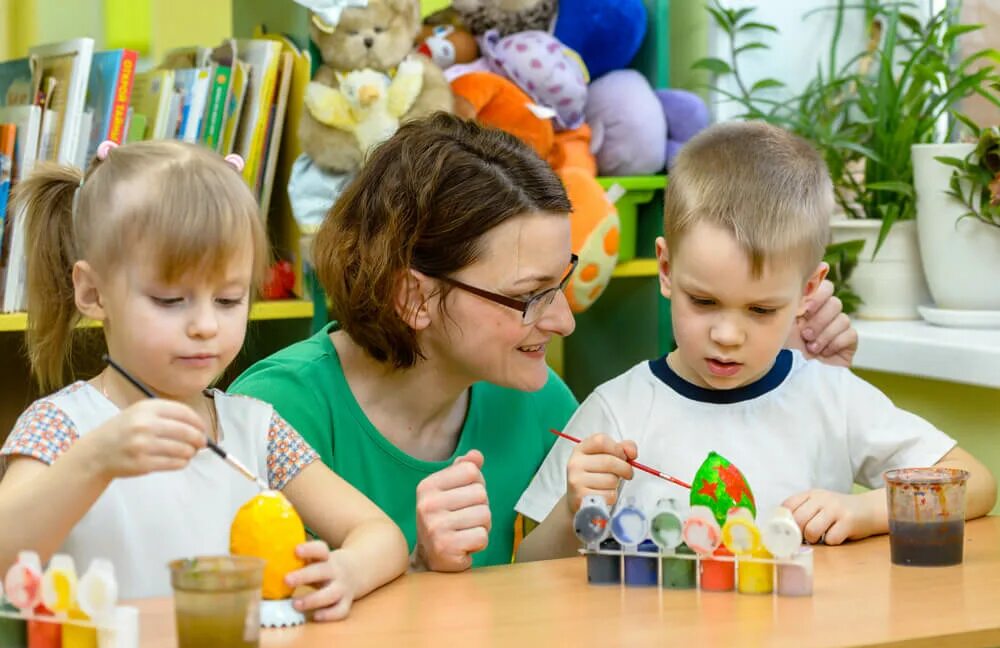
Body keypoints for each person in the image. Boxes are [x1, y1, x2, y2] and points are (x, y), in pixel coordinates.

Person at [231, 113, 861, 572]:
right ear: (414, 297)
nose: (564, 321)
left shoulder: (543, 406)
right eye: (531, 294)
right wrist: (418, 566)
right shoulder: (273, 413)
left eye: (562, 282)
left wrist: (789, 369)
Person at [514, 121, 997, 562]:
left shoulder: (831, 397)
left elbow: (975, 484)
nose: (727, 336)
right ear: (666, 269)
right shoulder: (617, 410)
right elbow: (529, 571)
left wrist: (866, 511)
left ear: (808, 291)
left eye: (761, 310)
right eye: (703, 301)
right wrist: (571, 511)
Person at [0, 140, 408, 619]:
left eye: (229, 299)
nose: (205, 326)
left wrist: (347, 571)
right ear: (92, 292)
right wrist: (95, 460)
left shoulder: (256, 426)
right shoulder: (62, 426)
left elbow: (381, 535)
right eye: (171, 300)